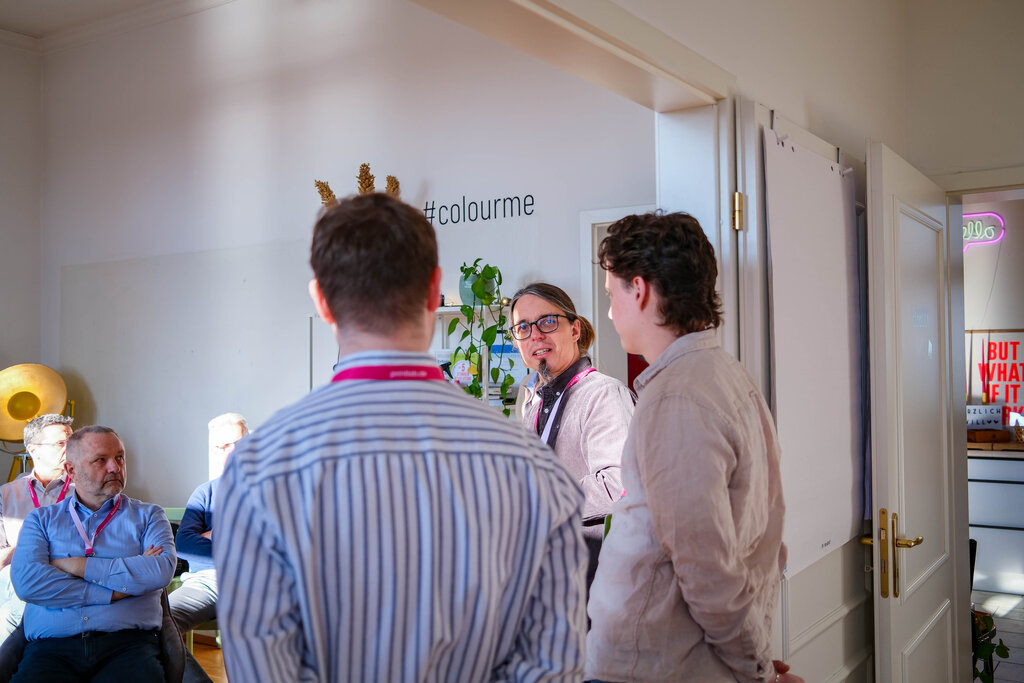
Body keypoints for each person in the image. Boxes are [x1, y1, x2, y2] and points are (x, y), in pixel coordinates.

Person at [214, 192, 588, 681]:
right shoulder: (537, 471)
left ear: (321, 300)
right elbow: (551, 667)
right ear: (434, 290)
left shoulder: (255, 471)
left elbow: (262, 669)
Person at [585, 211, 800, 683]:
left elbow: (707, 568)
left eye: (610, 295)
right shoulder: (725, 376)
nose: (610, 312)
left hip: (653, 666)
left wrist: (760, 670)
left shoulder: (678, 397)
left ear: (639, 290)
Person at [10, 425, 176, 681]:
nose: (115, 467)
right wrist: (115, 592)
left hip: (129, 645)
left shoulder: (150, 515)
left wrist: (77, 566)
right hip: (51, 649)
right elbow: (28, 583)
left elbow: (160, 571)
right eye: (101, 460)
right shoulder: (41, 520)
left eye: (119, 458)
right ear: (71, 470)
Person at [509, 282, 633, 592]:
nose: (535, 335)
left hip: (593, 594)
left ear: (575, 330)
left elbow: (618, 484)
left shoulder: (603, 394)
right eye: (523, 327)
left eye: (547, 321)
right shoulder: (535, 404)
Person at [169, 412, 247, 681]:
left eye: (236, 443)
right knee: (157, 622)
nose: (230, 451)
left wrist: (214, 534)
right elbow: (184, 544)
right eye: (221, 446)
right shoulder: (205, 493)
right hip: (206, 582)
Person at [0, 414, 75, 642]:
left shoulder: (85, 491)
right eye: (61, 443)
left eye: (72, 442)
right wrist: (29, 549)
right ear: (34, 450)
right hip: (17, 579)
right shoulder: (6, 494)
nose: (70, 448)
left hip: (69, 577)